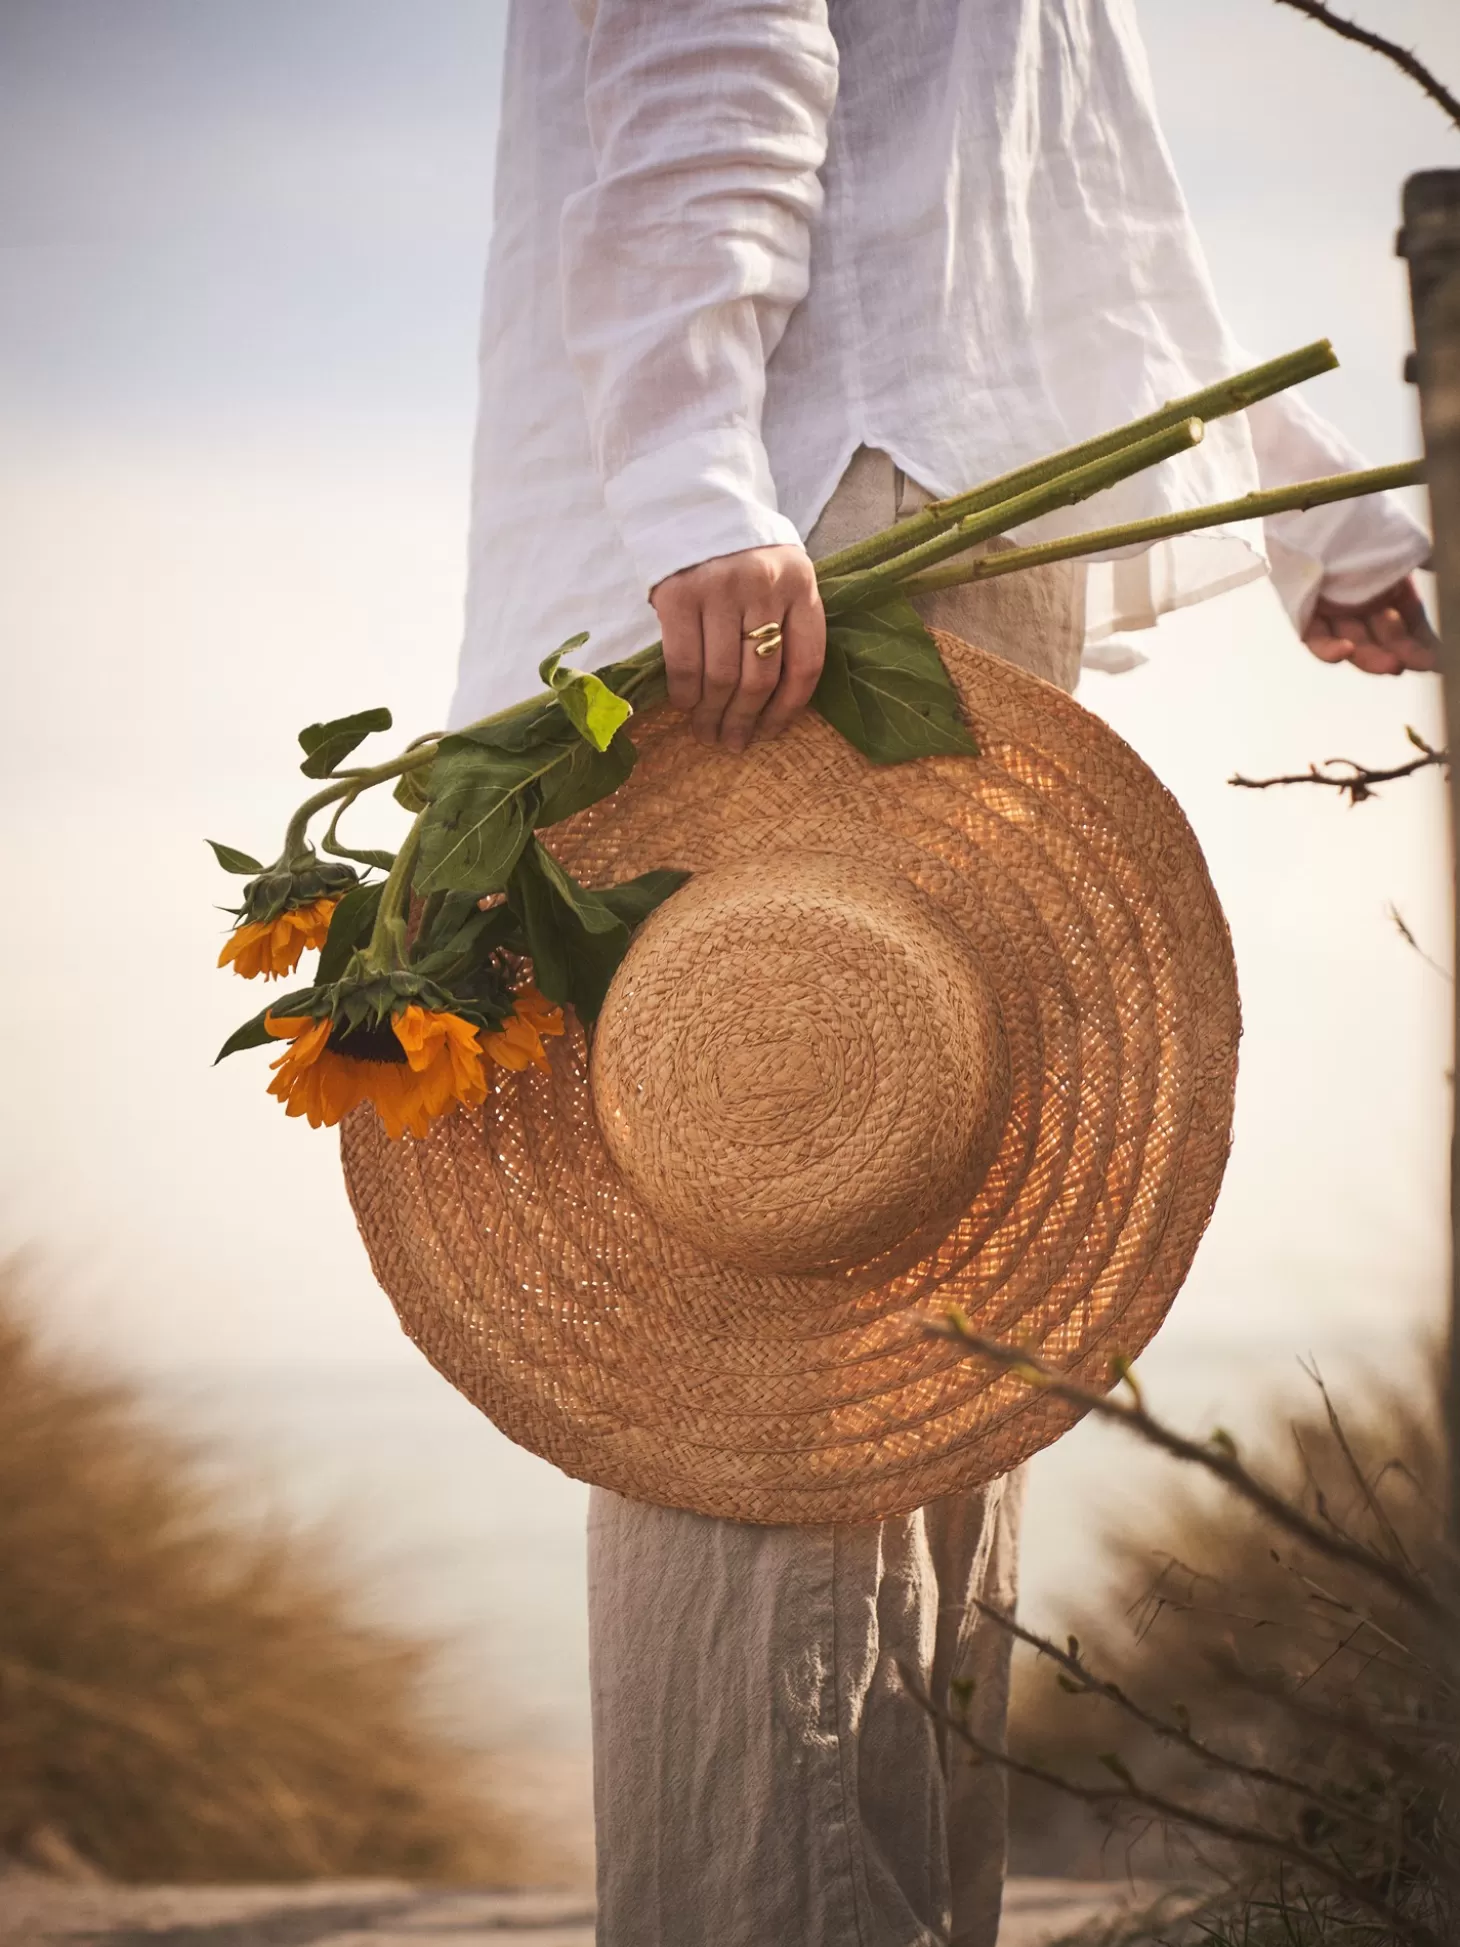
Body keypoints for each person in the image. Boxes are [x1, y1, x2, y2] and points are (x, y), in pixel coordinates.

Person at [448, 4, 1436, 1942]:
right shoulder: (749, 475)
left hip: (889, 485)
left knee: (925, 1340)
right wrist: (691, 474)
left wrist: (1302, 491)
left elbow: (1038, 193)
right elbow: (713, 41)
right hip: (818, 507)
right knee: (783, 1351)